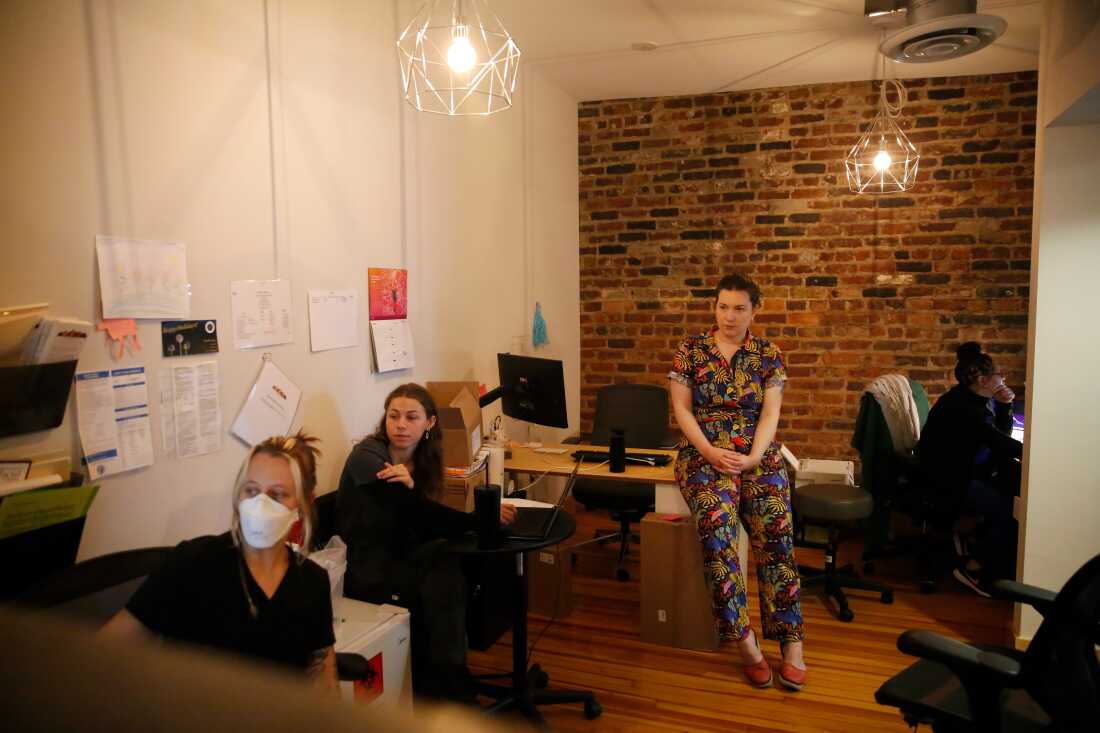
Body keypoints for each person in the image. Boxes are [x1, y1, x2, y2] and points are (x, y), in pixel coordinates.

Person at [102, 431, 337, 691]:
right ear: (238, 496)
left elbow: (323, 680)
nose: (261, 504)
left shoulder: (311, 582)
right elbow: (103, 650)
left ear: (304, 505)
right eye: (251, 490)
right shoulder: (192, 564)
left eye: (278, 494)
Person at [669, 273, 806, 691]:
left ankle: (792, 642)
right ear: (715, 307)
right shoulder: (691, 350)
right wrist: (711, 453)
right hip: (703, 454)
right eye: (723, 307)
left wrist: (752, 457)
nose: (730, 316)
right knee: (716, 529)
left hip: (757, 454)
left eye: (739, 308)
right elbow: (682, 411)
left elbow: (770, 414)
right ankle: (744, 642)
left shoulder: (769, 354)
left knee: (777, 532)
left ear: (754, 310)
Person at [337, 383, 515, 703]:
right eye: (393, 416)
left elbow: (422, 520)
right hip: (369, 563)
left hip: (403, 551)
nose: (401, 424)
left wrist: (476, 520)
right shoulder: (367, 456)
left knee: (457, 564)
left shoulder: (423, 458)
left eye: (411, 417)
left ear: (429, 423)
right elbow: (419, 514)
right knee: (447, 574)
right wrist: (480, 519)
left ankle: (448, 674)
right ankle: (448, 680)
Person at [917, 342, 1022, 597]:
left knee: (1010, 484)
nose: (1003, 378)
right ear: (984, 380)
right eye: (1000, 375)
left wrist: (1005, 406)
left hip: (963, 472)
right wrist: (1035, 454)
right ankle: (975, 569)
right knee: (1009, 511)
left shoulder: (973, 399)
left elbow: (998, 437)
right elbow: (999, 442)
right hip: (947, 481)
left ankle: (983, 550)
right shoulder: (965, 408)